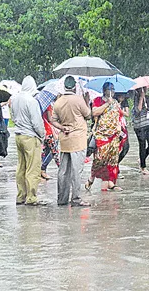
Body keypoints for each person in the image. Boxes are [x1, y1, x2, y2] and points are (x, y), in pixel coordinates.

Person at [51, 76, 91, 207]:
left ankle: (62, 199)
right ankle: (76, 199)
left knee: (63, 170)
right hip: (78, 139)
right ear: (74, 87)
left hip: (65, 139)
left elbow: (53, 120)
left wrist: (62, 127)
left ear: (64, 87)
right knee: (76, 171)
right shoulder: (79, 100)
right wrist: (86, 100)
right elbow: (88, 115)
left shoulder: (58, 102)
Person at [11, 76, 46, 206]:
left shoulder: (15, 99)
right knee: (33, 168)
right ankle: (31, 197)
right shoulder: (31, 101)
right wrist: (42, 135)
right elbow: (37, 122)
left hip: (18, 135)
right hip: (30, 137)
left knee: (21, 167)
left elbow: (13, 117)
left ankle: (21, 196)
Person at [86, 82, 123, 192]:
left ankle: (108, 185)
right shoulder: (98, 100)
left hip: (114, 136)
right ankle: (91, 179)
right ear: (104, 90)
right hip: (101, 136)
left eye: (113, 89)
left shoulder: (116, 102)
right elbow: (94, 113)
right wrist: (107, 104)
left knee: (112, 161)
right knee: (99, 160)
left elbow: (118, 116)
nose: (112, 91)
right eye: (109, 89)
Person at [132, 87, 149, 175]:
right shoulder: (136, 98)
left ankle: (142, 158)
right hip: (140, 125)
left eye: (145, 88)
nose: (144, 90)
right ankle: (143, 167)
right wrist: (141, 98)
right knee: (142, 145)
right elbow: (137, 111)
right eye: (142, 88)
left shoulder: (148, 98)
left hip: (148, 124)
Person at [116, 93, 130, 165]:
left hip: (122, 126)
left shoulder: (124, 102)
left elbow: (127, 114)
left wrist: (120, 110)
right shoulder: (112, 101)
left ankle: (116, 163)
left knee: (126, 147)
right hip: (114, 126)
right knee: (114, 147)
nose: (122, 98)